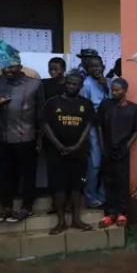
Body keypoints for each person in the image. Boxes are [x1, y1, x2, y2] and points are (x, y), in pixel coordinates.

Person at [0, 61, 45, 222]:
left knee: (28, 173)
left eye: (12, 67)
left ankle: (27, 206)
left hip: (26, 137)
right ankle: (6, 206)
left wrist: (40, 138)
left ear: (20, 68)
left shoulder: (34, 83)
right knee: (6, 173)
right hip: (1, 137)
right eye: (5, 67)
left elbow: (41, 112)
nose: (7, 70)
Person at [40, 70, 96, 234]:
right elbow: (45, 125)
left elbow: (88, 125)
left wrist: (77, 145)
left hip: (79, 153)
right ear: (65, 84)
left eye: (75, 84)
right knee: (59, 187)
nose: (72, 86)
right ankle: (61, 222)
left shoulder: (86, 104)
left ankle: (77, 219)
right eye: (69, 83)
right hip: (56, 152)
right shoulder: (52, 103)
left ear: (80, 86)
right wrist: (59, 145)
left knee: (77, 186)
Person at [97, 78, 137, 228]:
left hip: (123, 150)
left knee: (122, 181)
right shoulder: (106, 105)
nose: (114, 92)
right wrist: (102, 145)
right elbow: (99, 126)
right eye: (112, 89)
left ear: (125, 90)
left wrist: (127, 146)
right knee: (108, 181)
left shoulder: (134, 108)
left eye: (117, 90)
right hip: (107, 148)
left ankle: (122, 213)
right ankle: (110, 213)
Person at [80, 56, 110, 208]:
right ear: (86, 69)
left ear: (103, 66)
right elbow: (83, 109)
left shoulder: (108, 82)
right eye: (92, 66)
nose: (96, 69)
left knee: (108, 163)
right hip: (93, 127)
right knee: (95, 163)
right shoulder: (86, 85)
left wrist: (106, 87)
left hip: (109, 126)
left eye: (99, 66)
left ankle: (103, 197)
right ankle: (91, 197)